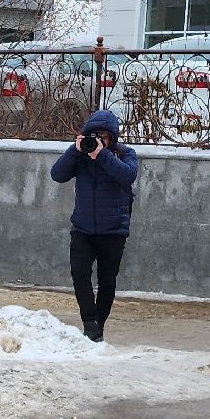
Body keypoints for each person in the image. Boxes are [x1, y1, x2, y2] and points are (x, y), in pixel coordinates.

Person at [49, 108, 139, 342]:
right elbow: (57, 175)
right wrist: (74, 149)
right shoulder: (80, 155)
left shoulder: (124, 153)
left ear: (112, 138)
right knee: (79, 274)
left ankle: (99, 325)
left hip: (114, 230)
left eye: (103, 137)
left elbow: (128, 176)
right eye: (94, 135)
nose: (98, 140)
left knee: (107, 282)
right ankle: (90, 324)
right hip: (83, 228)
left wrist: (102, 155)